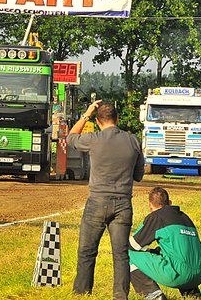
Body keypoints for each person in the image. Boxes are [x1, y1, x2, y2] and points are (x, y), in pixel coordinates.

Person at [67, 100, 144, 300]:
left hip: (97, 202)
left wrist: (86, 114)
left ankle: (82, 293)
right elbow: (139, 176)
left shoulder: (94, 139)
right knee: (121, 255)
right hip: (123, 205)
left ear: (98, 121)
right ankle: (120, 296)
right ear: (117, 119)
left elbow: (71, 137)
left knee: (86, 251)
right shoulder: (133, 141)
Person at [129, 187, 201, 300]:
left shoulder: (156, 216)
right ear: (169, 203)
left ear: (150, 206)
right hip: (198, 275)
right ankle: (193, 293)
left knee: (126, 253)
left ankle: (153, 294)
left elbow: (133, 245)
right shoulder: (185, 217)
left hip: (178, 275)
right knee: (178, 257)